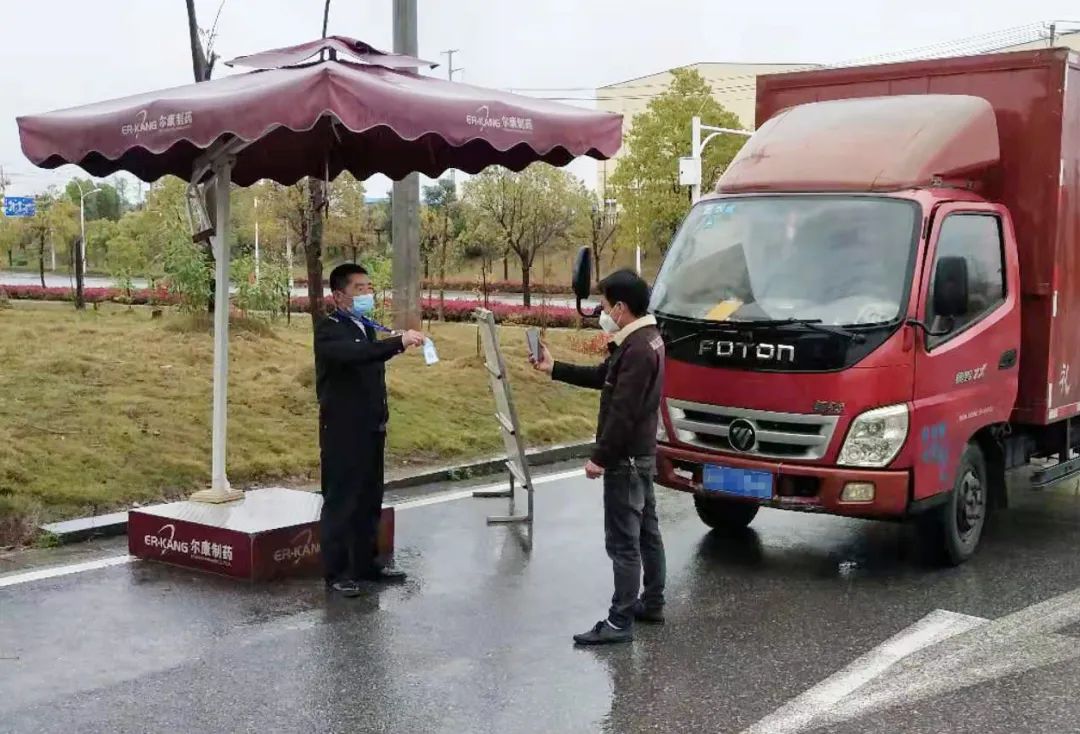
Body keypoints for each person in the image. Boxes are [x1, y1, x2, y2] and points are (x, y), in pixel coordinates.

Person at [531, 269, 667, 645]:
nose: (602, 312)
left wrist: (600, 458)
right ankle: (652, 601)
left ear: (621, 307)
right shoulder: (645, 339)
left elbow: (623, 412)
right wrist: (554, 368)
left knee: (624, 542)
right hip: (641, 453)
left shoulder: (637, 349)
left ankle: (619, 621)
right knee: (647, 533)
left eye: (605, 305)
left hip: (627, 458)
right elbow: (603, 377)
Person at [314, 263, 425, 597]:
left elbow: (371, 363)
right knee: (342, 500)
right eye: (358, 289)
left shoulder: (363, 326)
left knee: (369, 497)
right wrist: (398, 342)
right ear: (338, 296)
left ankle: (366, 564)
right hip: (343, 429)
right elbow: (357, 355)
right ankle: (337, 573)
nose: (366, 294)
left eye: (369, 288)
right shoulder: (330, 329)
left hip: (372, 425)